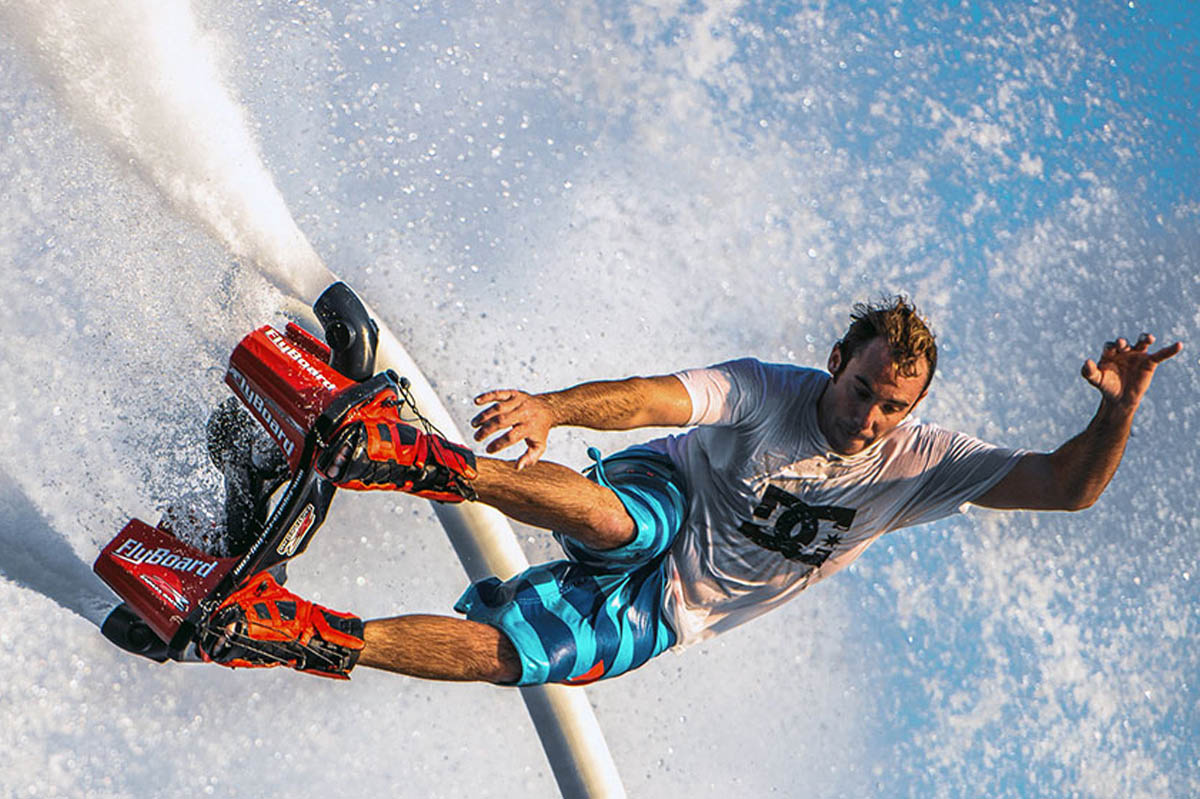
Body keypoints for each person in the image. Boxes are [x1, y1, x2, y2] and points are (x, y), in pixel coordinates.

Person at [198, 297, 1182, 684]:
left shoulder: (920, 463)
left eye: (892, 406)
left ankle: (291, 629)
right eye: (861, 390)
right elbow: (652, 397)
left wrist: (1121, 408)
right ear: (835, 362)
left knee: (516, 657)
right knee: (620, 520)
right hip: (669, 495)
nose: (869, 417)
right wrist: (552, 409)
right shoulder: (771, 390)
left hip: (678, 610)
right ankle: (396, 454)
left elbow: (1068, 487)